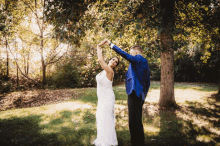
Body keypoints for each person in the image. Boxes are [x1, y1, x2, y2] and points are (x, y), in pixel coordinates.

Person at [101, 39, 150, 146]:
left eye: (131, 52)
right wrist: (143, 95)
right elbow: (147, 82)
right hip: (139, 95)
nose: (130, 54)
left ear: (136, 52)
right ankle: (140, 142)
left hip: (134, 94)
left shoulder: (138, 59)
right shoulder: (144, 63)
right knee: (137, 121)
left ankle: (136, 143)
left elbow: (124, 54)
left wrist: (110, 44)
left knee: (133, 122)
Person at [93, 42, 120, 146]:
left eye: (116, 62)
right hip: (101, 99)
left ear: (115, 66)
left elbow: (100, 60)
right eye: (113, 59)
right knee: (100, 118)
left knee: (106, 119)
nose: (114, 62)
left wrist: (98, 46)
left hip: (107, 99)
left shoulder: (110, 71)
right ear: (110, 60)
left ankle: (107, 143)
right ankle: (102, 140)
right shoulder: (103, 71)